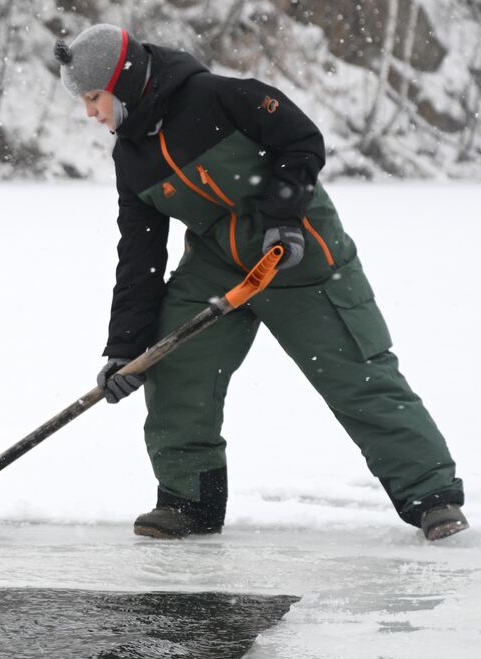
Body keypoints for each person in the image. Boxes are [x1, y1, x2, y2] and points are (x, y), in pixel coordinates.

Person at [53, 24, 467, 541]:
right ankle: (190, 500)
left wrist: (284, 216)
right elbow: (139, 256)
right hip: (218, 263)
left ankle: (431, 496)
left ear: (122, 81)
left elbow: (301, 139)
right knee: (177, 368)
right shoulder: (131, 156)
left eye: (93, 97)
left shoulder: (217, 97)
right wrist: (126, 349)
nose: (90, 112)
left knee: (358, 375)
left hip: (297, 252)